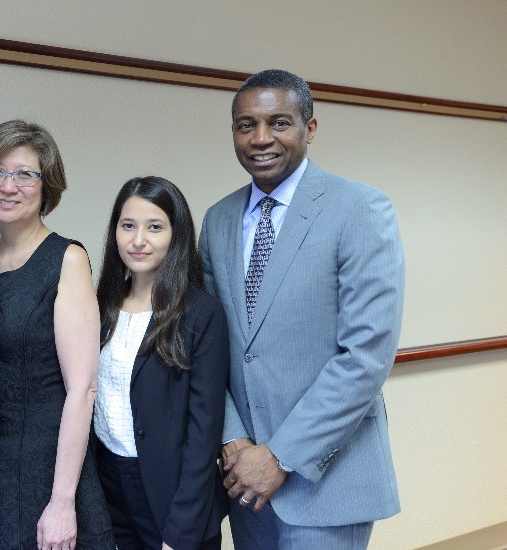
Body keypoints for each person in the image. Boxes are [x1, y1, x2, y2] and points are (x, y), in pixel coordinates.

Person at [199, 69, 405, 549]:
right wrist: (234, 444)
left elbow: (366, 357)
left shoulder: (360, 209)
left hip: (327, 480)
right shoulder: (218, 220)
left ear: (309, 129)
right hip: (244, 482)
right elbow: (209, 345)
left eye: (279, 122)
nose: (261, 138)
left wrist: (280, 456)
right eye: (245, 125)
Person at [0, 119, 113, 549]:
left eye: (24, 174)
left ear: (47, 186)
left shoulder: (66, 259)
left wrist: (62, 502)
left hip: (49, 470)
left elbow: (82, 388)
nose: (8, 186)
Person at [94, 176, 229, 550]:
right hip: (108, 484)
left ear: (176, 234)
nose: (139, 240)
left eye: (155, 227)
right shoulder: (102, 305)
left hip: (172, 494)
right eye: (128, 226)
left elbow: (204, 434)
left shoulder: (201, 313)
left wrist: (181, 531)